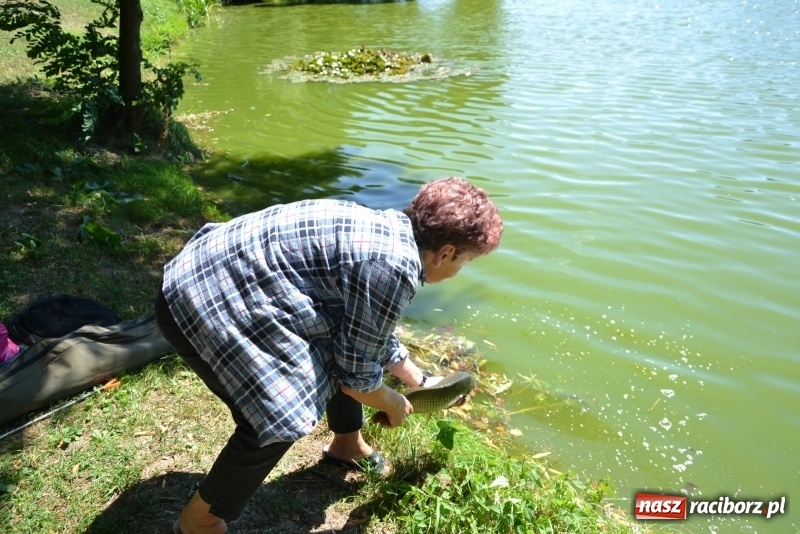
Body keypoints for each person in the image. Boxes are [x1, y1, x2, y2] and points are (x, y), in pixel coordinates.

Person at [154, 176, 503, 534]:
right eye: (464, 263)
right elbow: (357, 378)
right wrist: (393, 402)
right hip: (198, 302)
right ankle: (200, 520)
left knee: (335, 339)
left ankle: (346, 445)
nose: (458, 272)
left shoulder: (388, 231)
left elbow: (364, 331)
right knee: (277, 416)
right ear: (445, 253)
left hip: (197, 271)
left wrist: (421, 381)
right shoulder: (393, 267)